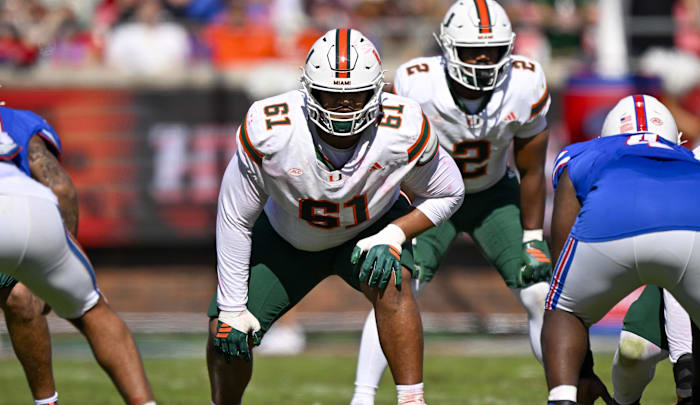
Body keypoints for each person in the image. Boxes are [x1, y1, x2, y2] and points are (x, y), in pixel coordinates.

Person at [205, 28, 465, 405]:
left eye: (355, 94)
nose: (344, 104)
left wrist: (393, 234)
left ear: (377, 91)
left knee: (395, 278)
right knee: (224, 333)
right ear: (308, 90)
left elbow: (449, 191)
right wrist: (231, 308)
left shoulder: (402, 126)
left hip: (367, 230)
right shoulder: (271, 129)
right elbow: (234, 218)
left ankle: (411, 400)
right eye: (332, 93)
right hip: (286, 237)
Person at [351, 1, 552, 403]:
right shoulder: (415, 83)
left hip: (492, 194)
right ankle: (363, 397)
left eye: (493, 50)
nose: (482, 60)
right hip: (429, 197)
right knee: (394, 285)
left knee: (538, 294)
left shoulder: (525, 83)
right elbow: (388, 154)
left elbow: (532, 169)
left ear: (508, 49)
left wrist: (532, 236)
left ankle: (564, 392)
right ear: (447, 48)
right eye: (471, 51)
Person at [542, 94, 700, 405]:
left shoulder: (584, 152)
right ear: (675, 139)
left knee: (563, 308)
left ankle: (564, 398)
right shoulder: (690, 159)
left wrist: (582, 369)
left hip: (610, 220)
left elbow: (562, 252)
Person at [0, 106, 155, 405]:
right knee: (89, 308)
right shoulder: (17, 121)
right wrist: (60, 256)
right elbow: (61, 187)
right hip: (29, 206)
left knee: (18, 296)